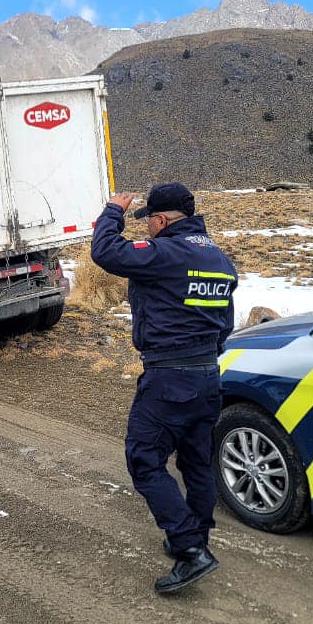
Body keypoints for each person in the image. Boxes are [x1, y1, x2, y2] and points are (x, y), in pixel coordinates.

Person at [90, 183, 237, 594]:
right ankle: (194, 536)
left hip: (170, 378)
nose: (148, 230)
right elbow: (224, 323)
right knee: (195, 460)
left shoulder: (166, 253)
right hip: (208, 374)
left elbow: (106, 253)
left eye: (150, 223)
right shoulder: (219, 260)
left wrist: (112, 213)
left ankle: (191, 550)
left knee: (144, 459)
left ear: (160, 220)